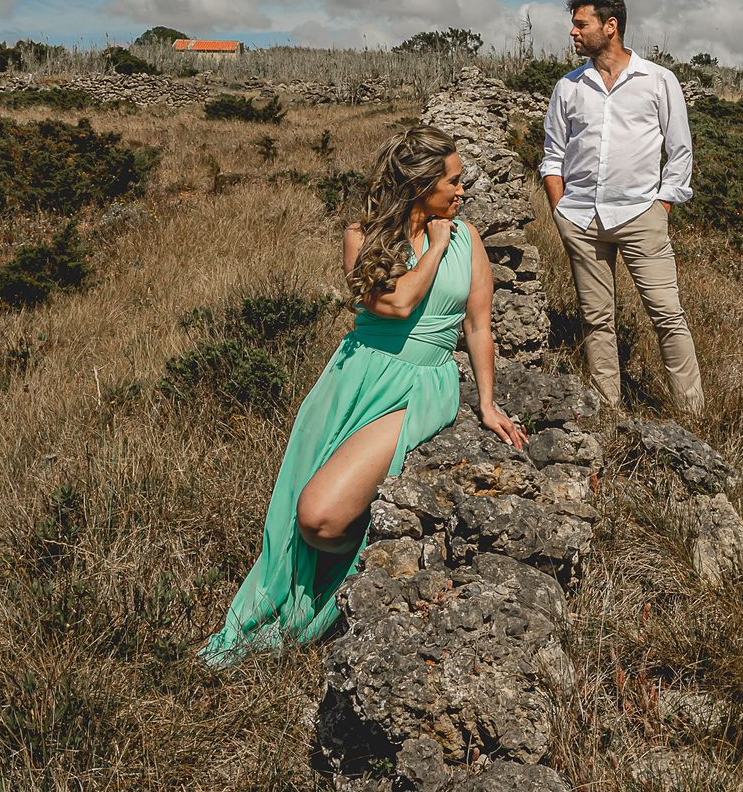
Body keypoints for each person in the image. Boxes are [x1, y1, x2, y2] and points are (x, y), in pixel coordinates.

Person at [199, 124, 528, 667]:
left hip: (421, 384)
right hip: (350, 380)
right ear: (420, 184)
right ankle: (315, 587)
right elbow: (395, 306)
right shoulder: (363, 238)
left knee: (318, 515)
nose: (462, 191)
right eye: (453, 181)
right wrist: (435, 249)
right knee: (295, 518)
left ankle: (352, 567)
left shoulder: (468, 240)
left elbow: (478, 328)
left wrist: (487, 403)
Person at [539, 0, 705, 416]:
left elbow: (680, 150)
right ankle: (608, 413)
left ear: (610, 26)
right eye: (574, 24)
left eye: (581, 24)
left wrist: (662, 205)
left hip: (640, 215)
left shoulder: (657, 80)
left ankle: (692, 415)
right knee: (596, 320)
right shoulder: (569, 86)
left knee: (667, 315)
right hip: (580, 219)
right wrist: (561, 212)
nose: (573, 32)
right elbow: (553, 155)